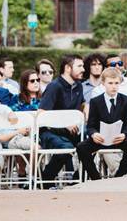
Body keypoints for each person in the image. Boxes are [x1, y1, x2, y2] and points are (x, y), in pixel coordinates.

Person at [77, 68, 127, 180]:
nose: (113, 86)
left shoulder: (126, 100)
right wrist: (94, 134)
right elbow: (91, 125)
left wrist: (124, 135)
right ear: (103, 83)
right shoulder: (95, 101)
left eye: (116, 83)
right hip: (101, 138)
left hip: (118, 138)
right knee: (81, 148)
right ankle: (96, 178)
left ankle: (119, 176)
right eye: (110, 83)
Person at [37, 55, 86, 185]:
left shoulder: (79, 86)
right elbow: (41, 114)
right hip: (50, 131)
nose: (83, 69)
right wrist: (64, 123)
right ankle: (46, 178)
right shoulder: (54, 86)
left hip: (72, 131)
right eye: (80, 66)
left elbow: (81, 106)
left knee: (93, 140)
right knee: (66, 148)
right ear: (68, 68)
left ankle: (78, 177)